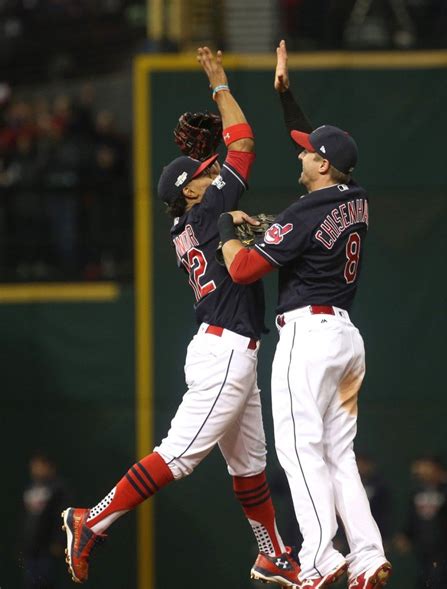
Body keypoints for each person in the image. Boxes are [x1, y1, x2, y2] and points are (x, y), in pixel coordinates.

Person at [61, 47, 300, 587]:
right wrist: (219, 84)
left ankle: (274, 553)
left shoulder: (187, 223)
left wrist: (221, 200)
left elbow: (218, 175)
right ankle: (91, 520)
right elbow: (242, 143)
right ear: (191, 189)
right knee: (180, 455)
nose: (212, 170)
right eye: (204, 173)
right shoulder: (209, 208)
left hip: (227, 345)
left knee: (250, 467)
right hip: (225, 352)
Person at [215, 40, 391, 589]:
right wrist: (288, 100)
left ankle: (318, 557)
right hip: (346, 340)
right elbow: (317, 150)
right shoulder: (353, 196)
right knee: (339, 455)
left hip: (308, 338)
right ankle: (366, 556)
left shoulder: (306, 210)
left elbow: (243, 270)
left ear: (321, 165)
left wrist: (225, 225)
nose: (298, 154)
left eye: (306, 152)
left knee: (297, 450)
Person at [394, 455, 447, 589]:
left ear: (437, 469)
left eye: (426, 466)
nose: (421, 470)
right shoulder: (417, 492)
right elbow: (412, 519)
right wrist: (406, 535)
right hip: (424, 551)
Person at [20, 452, 68, 589]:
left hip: (48, 549)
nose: (35, 469)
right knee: (31, 583)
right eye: (33, 465)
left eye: (39, 465)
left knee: (47, 582)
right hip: (30, 549)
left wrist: (58, 541)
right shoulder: (30, 488)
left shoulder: (58, 489)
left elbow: (61, 516)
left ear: (48, 466)